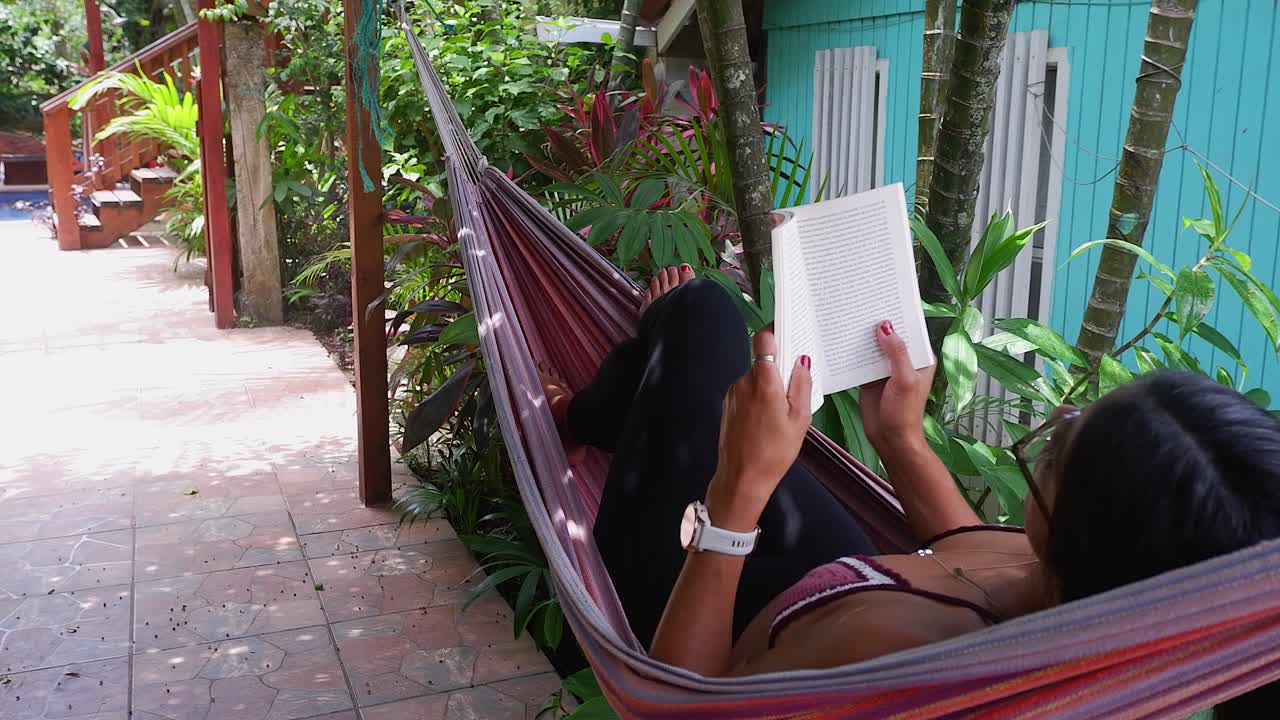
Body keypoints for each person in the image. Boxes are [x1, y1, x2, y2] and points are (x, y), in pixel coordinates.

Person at [540, 266, 1280, 715]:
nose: (1057, 414)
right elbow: (965, 551)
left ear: (1073, 535)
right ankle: (611, 400)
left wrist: (737, 492)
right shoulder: (1064, 583)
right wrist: (900, 436)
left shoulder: (898, 650)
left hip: (688, 600)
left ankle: (577, 413)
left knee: (699, 312)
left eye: (1055, 449)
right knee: (708, 367)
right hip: (815, 580)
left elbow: (681, 706)